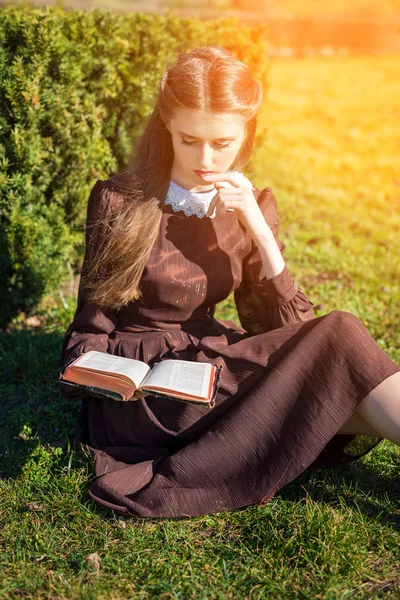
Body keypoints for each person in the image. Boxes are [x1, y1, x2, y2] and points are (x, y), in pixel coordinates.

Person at [60, 45, 400, 519]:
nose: (205, 158)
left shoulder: (252, 204)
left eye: (222, 144)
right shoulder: (119, 202)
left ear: (246, 134)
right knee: (339, 354)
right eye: (189, 140)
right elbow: (86, 334)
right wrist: (114, 375)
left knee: (336, 351)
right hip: (145, 399)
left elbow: (285, 327)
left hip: (209, 367)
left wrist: (258, 231)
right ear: (167, 129)